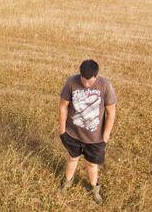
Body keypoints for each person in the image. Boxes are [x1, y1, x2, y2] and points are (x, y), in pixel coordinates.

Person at [59, 59, 117, 205]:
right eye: (83, 81)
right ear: (80, 74)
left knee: (92, 164)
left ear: (96, 76)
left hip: (95, 138)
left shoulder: (105, 85)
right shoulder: (71, 82)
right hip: (73, 134)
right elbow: (63, 107)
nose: (86, 84)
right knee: (72, 159)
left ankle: (94, 189)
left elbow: (111, 112)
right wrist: (62, 130)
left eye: (90, 82)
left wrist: (106, 135)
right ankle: (67, 183)